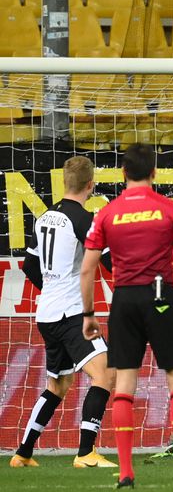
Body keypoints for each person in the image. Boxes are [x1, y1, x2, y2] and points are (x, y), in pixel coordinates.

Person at [80, 144, 173, 489]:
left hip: (124, 299)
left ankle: (125, 474)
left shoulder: (106, 214)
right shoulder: (171, 209)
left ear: (123, 174)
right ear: (154, 172)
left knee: (124, 384)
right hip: (162, 296)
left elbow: (87, 269)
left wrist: (89, 314)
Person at [10, 157, 116, 469]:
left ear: (64, 183)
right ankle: (85, 453)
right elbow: (110, 263)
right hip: (71, 314)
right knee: (105, 374)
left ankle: (23, 453)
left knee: (57, 386)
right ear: (90, 185)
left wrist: (53, 289)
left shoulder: (44, 218)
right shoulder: (84, 220)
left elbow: (30, 266)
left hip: (47, 313)